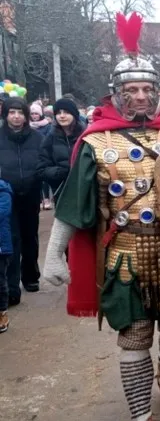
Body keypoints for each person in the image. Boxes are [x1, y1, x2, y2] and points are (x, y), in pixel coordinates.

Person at [41, 20, 160, 420]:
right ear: (117, 93)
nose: (141, 96)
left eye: (147, 89)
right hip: (125, 256)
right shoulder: (97, 141)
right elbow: (74, 205)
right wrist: (53, 255)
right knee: (134, 336)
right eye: (132, 90)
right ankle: (139, 413)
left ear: (157, 92)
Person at [0, 98, 44, 305]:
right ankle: (12, 283)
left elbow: (43, 162)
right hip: (7, 195)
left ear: (26, 115)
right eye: (12, 112)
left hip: (31, 191)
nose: (16, 116)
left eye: (20, 112)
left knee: (30, 235)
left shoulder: (37, 137)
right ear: (6, 114)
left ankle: (31, 276)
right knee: (12, 238)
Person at [37, 98, 85, 205]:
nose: (62, 116)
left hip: (85, 191)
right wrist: (60, 172)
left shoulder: (86, 135)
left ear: (74, 114)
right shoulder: (51, 137)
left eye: (66, 112)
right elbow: (42, 169)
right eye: (58, 113)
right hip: (62, 193)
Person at [0, 173, 11, 332]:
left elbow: (3, 211)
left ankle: (2, 312)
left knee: (0, 281)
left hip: (1, 246)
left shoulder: (3, 189)